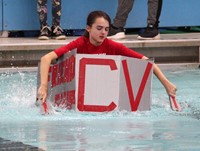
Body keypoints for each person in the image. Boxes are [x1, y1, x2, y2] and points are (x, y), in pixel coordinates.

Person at [37, 10, 181, 111]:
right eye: (99, 28)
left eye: (106, 29)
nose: (103, 33)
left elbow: (146, 62)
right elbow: (46, 59)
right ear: (88, 28)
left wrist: (166, 83)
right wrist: (43, 86)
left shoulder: (112, 45)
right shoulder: (79, 43)